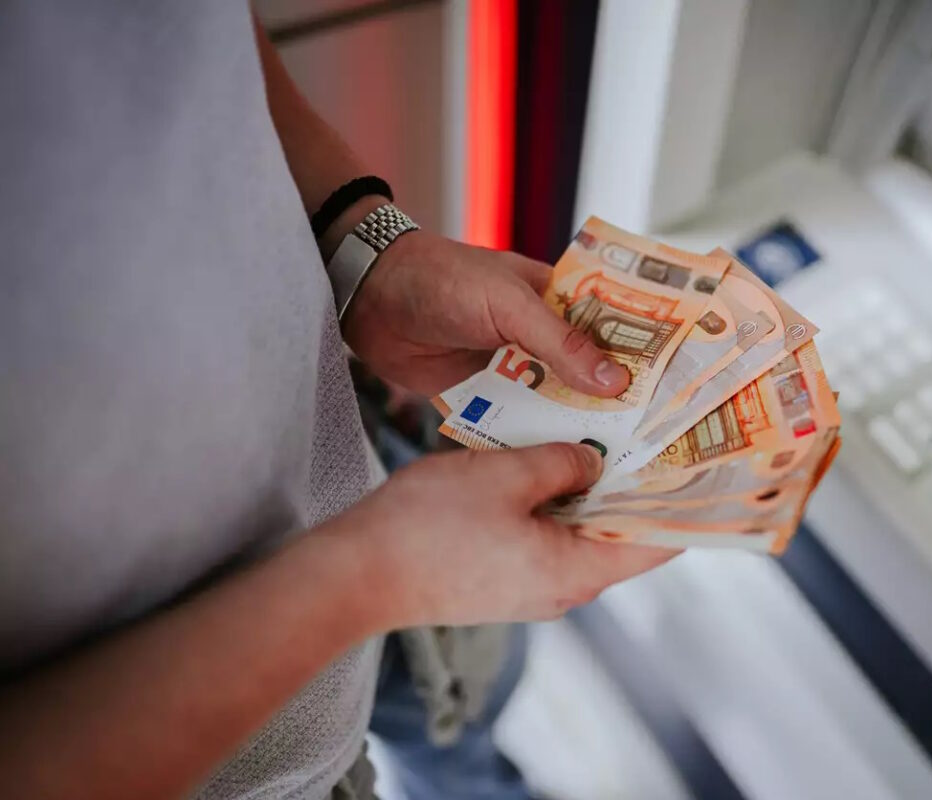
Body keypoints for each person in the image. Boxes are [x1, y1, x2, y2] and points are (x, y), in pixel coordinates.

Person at [0, 4, 675, 799]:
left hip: (352, 457)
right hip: (280, 747)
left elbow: (195, 36)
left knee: (466, 729)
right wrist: (368, 577)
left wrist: (363, 243)